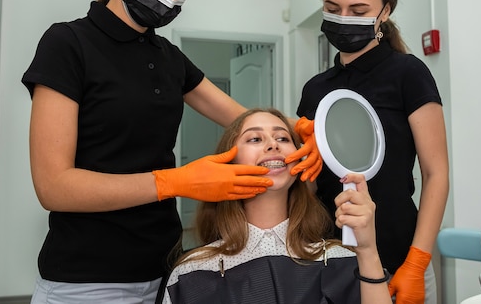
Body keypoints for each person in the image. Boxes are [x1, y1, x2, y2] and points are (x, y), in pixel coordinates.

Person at [21, 0, 319, 303]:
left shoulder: (168, 57)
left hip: (166, 269)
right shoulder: (68, 44)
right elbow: (53, 187)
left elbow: (244, 118)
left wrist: (297, 129)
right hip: (89, 278)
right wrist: (174, 181)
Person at [296, 0, 450, 304]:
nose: (344, 18)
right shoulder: (316, 88)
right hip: (329, 258)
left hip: (399, 257)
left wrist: (417, 262)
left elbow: (436, 173)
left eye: (359, 11)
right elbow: (310, 178)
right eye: (333, 9)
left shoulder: (408, 74)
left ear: (386, 10)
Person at [161, 108, 391, 304]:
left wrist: (368, 251)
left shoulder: (342, 259)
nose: (273, 145)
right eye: (255, 139)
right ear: (228, 163)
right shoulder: (190, 274)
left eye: (283, 138)